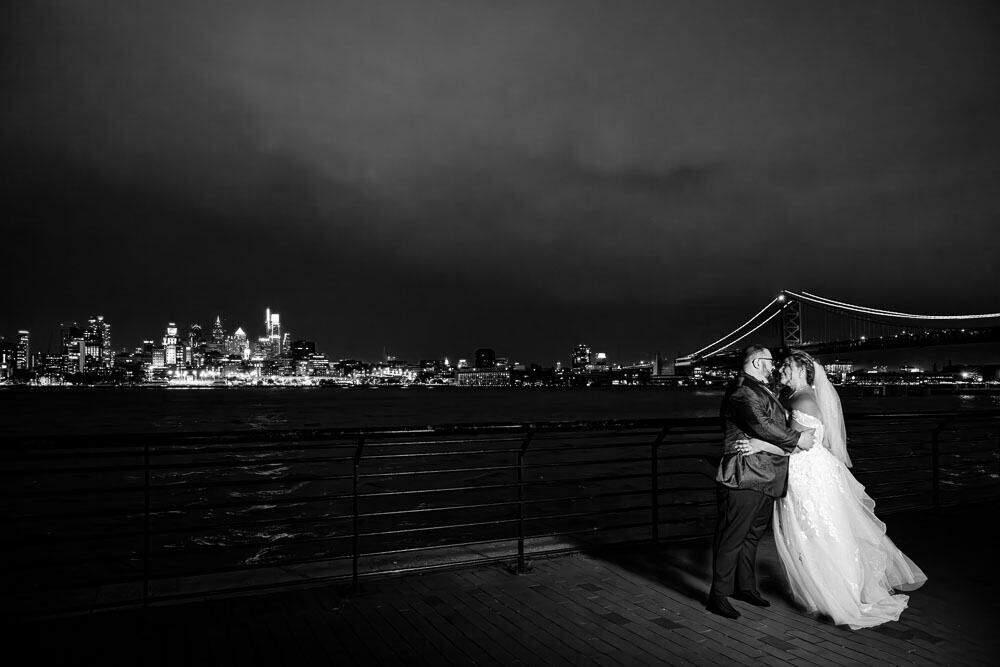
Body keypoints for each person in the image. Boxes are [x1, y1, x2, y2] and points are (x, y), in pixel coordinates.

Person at [736, 349, 927, 629]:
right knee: (816, 533)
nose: (780, 370)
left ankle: (835, 596)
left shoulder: (802, 399)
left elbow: (798, 444)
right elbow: (809, 441)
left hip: (807, 475)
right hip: (810, 472)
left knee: (817, 534)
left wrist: (759, 445)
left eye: (786, 366)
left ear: (802, 370)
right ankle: (824, 592)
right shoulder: (799, 396)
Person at [707, 345, 816, 619]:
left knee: (752, 535)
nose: (775, 367)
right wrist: (797, 439)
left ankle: (744, 587)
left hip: (766, 474)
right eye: (770, 362)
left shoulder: (759, 387)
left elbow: (770, 423)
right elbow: (762, 425)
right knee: (732, 537)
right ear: (757, 362)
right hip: (743, 474)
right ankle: (717, 595)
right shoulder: (742, 390)